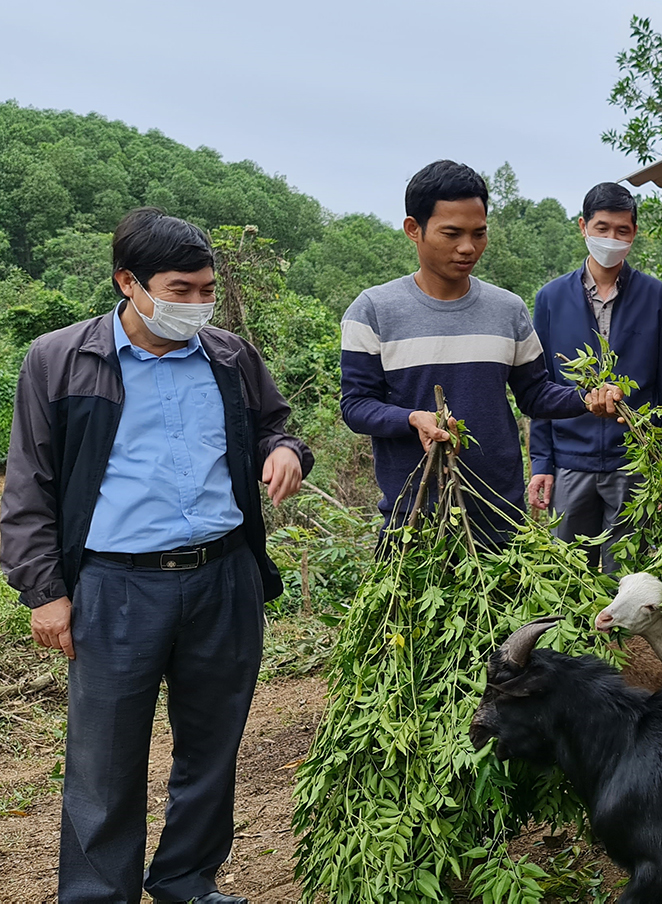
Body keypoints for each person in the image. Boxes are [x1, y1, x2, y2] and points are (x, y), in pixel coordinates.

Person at [1, 208, 312, 904]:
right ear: (129, 283)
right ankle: (97, 894)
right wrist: (44, 591)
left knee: (211, 748)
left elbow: (274, 426)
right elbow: (28, 485)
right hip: (115, 586)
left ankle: (185, 882)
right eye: (181, 290)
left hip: (222, 577)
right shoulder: (60, 359)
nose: (198, 305)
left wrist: (286, 452)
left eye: (207, 290)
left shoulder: (230, 356)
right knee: (103, 763)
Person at [340, 160, 620, 544]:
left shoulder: (507, 309)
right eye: (451, 233)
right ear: (413, 229)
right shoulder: (373, 311)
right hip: (414, 519)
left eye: (479, 233)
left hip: (500, 515)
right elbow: (356, 405)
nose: (468, 247)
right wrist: (411, 419)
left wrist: (585, 398)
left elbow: (534, 393)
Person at [527, 183, 662, 571]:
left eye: (622, 231)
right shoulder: (550, 298)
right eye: (602, 228)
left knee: (628, 581)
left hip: (633, 462)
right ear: (583, 227)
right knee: (570, 579)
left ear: (633, 234)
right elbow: (541, 387)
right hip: (570, 462)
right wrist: (542, 462)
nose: (611, 239)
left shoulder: (657, 297)